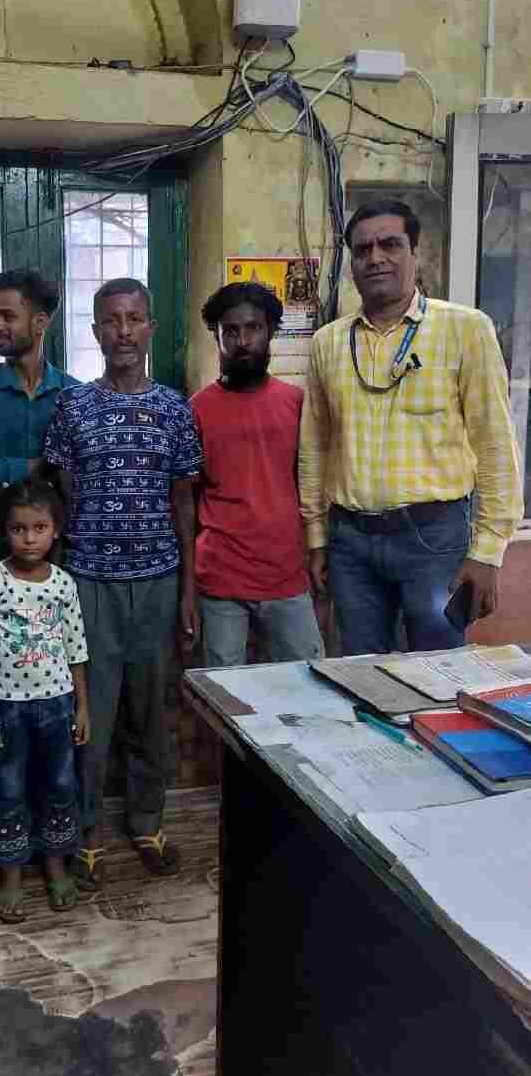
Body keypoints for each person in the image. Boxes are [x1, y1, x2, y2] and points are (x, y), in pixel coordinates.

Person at [300, 199, 523, 655]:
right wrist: (317, 537)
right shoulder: (328, 343)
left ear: (415, 253)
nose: (376, 258)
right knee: (361, 670)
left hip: (434, 538)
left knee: (437, 670)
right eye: (363, 250)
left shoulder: (466, 329)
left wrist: (488, 551)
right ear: (352, 263)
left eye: (390, 245)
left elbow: (495, 444)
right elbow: (315, 447)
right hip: (350, 542)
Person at [44, 278, 202, 891]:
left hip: (158, 581)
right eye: (111, 321)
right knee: (90, 714)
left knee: (150, 710)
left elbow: (183, 504)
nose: (124, 331)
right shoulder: (74, 408)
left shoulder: (175, 409)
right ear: (95, 331)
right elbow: (64, 500)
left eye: (134, 318)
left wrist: (187, 590)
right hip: (89, 583)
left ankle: (147, 821)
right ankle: (85, 832)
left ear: (151, 328)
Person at [0, 478, 90, 922]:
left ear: (55, 530)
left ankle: (56, 865)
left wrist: (82, 707)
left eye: (39, 528)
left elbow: (76, 647)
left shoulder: (63, 584)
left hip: (58, 704)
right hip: (9, 707)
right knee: (9, 789)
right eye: (19, 529)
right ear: (4, 531)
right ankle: (12, 874)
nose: (29, 538)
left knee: (60, 785)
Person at [192, 281, 324, 666]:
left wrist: (317, 550)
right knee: (223, 691)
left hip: (286, 575)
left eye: (253, 328)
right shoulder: (195, 410)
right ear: (217, 336)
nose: (243, 341)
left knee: (307, 682)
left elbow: (311, 486)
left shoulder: (297, 404)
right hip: (220, 579)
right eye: (230, 331)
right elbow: (187, 498)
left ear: (271, 333)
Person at [0, 269, 77, 565]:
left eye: (7, 316)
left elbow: (78, 480)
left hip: (57, 558)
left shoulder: (73, 393)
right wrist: (42, 466)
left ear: (40, 323)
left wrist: (8, 469)